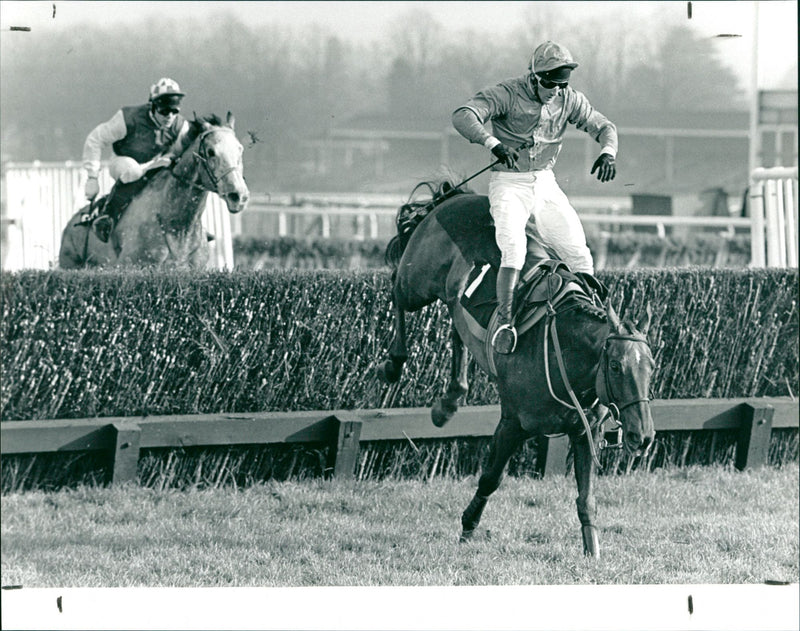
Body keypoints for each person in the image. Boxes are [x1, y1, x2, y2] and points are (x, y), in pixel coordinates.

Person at [452, 41, 618, 354]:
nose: (555, 90)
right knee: (513, 249)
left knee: (579, 252)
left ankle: (591, 322)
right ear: (534, 77)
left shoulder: (569, 99)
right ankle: (505, 323)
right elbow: (463, 115)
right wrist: (491, 143)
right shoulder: (506, 93)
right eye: (549, 83)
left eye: (562, 83)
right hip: (509, 184)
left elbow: (604, 126)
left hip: (545, 183)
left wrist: (608, 151)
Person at [82, 77, 192, 241]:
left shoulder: (180, 126)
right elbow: (95, 139)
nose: (169, 116)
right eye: (164, 111)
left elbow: (183, 152)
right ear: (153, 106)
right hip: (122, 160)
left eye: (174, 111)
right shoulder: (128, 118)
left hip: (154, 163)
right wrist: (92, 177)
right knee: (133, 171)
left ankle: (191, 226)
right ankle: (107, 216)